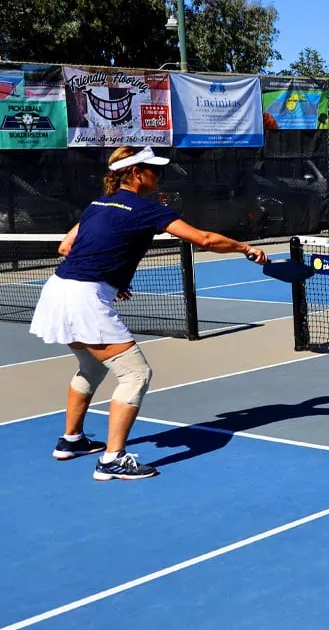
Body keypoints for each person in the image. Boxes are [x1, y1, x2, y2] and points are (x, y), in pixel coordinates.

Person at [30, 146, 267, 480]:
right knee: (135, 375)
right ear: (137, 174)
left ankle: (71, 440)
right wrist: (245, 247)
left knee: (90, 367)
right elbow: (202, 239)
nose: (159, 176)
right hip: (83, 296)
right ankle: (112, 459)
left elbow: (66, 247)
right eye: (154, 170)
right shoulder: (146, 209)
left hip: (57, 290)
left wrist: (109, 278)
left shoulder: (97, 205)